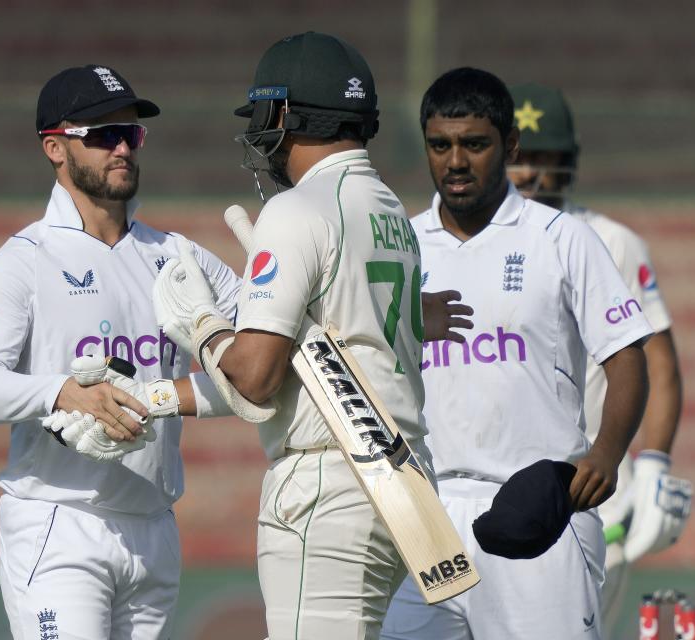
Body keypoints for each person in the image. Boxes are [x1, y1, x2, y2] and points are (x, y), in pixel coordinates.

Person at [150, 31, 456, 640]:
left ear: (286, 114)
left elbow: (256, 378)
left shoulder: (296, 210)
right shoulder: (390, 208)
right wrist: (154, 396)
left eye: (266, 114)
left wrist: (203, 326)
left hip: (327, 485)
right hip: (398, 476)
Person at [0, 64, 241, 639]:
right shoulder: (24, 260)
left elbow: (258, 366)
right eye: (102, 135)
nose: (122, 148)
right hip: (58, 521)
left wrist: (159, 396)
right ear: (55, 148)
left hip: (154, 527)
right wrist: (64, 392)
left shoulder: (179, 258)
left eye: (130, 134)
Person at [381, 67, 653, 640]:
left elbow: (628, 356)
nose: (455, 161)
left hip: (539, 514)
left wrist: (606, 454)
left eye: (475, 145)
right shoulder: (399, 246)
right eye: (440, 145)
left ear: (509, 146)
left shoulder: (560, 238)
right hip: (425, 517)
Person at [507, 82, 691, 636]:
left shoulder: (611, 241)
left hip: (589, 501)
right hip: (486, 492)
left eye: (547, 158)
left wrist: (654, 464)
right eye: (521, 157)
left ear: (568, 163)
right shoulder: (463, 240)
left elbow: (658, 363)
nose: (532, 174)